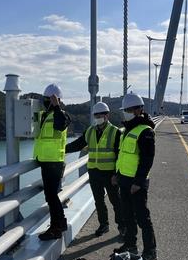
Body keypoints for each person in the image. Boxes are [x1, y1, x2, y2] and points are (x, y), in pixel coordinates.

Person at [65, 101, 125, 237]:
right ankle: (104, 225)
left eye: (101, 114)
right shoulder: (90, 131)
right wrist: (62, 149)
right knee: (98, 200)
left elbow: (120, 155)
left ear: (107, 115)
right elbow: (77, 144)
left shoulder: (115, 132)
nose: (98, 117)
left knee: (115, 200)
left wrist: (117, 174)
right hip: (94, 171)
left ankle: (122, 226)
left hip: (110, 173)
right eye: (96, 115)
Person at [113, 92, 158, 260]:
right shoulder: (126, 130)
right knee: (127, 216)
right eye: (125, 110)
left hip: (136, 184)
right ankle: (130, 245)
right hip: (124, 180)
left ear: (139, 110)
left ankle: (150, 252)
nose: (126, 112)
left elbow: (147, 159)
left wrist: (138, 182)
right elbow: (122, 155)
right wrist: (117, 174)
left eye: (129, 109)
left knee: (142, 218)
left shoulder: (145, 131)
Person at [34, 84, 71, 241]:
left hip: (54, 162)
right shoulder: (45, 115)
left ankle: (56, 228)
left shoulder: (61, 114)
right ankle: (60, 223)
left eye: (47, 100)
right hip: (46, 161)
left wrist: (56, 106)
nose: (45, 102)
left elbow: (61, 124)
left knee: (51, 196)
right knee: (51, 196)